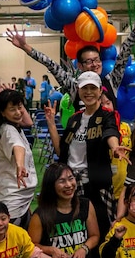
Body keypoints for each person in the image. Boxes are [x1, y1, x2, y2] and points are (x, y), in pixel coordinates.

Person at [5, 0, 135, 105]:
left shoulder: (111, 81)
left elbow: (124, 54)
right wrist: (26, 47)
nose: (94, 64)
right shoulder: (74, 86)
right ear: (80, 66)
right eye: (89, 61)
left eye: (96, 60)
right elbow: (51, 64)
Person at [45, 71, 123, 242]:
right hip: (70, 184)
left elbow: (110, 131)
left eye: (92, 88)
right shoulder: (74, 119)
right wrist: (51, 123)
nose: (88, 92)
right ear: (79, 91)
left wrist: (115, 147)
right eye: (84, 88)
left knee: (102, 229)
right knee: (74, 230)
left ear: (100, 92)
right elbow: (61, 152)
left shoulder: (106, 115)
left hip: (95, 184)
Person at [0, 89, 37, 227]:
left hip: (21, 200)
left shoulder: (15, 127)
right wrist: (20, 165)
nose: (18, 112)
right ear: (2, 112)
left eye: (20, 107)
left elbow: (28, 122)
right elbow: (18, 148)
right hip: (11, 202)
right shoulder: (8, 130)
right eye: (12, 109)